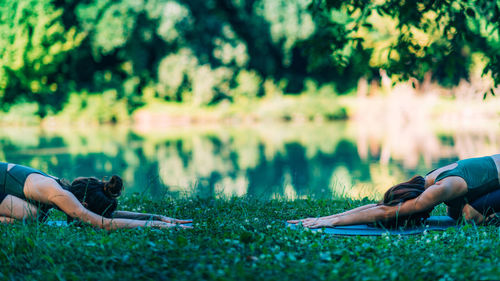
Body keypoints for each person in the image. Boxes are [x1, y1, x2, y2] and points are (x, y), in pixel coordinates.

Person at [289, 154, 500, 228]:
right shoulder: (430, 181)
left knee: (467, 216)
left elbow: (387, 212)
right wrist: (326, 217)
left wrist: (331, 222)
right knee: (453, 213)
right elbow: (383, 207)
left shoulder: (439, 187)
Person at [0, 162, 191, 230]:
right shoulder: (60, 195)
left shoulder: (65, 189)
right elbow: (104, 224)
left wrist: (156, 217)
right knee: (32, 216)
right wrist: (159, 226)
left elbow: (105, 217)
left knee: (38, 216)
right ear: (83, 204)